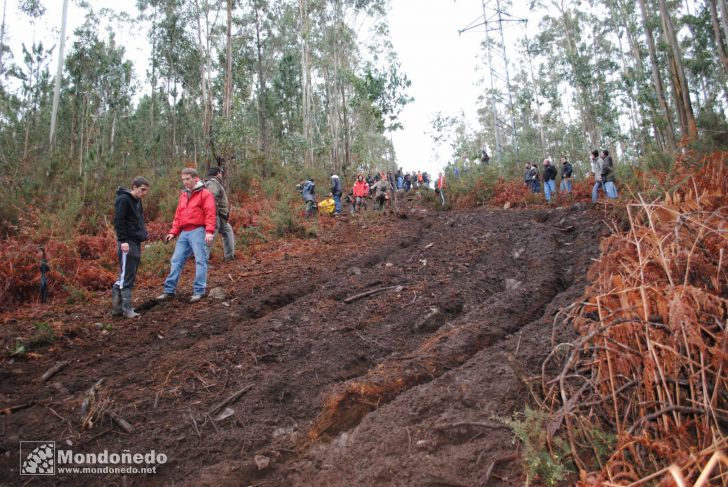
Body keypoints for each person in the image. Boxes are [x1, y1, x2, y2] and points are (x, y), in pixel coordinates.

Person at [157, 168, 216, 304]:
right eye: (183, 179)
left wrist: (209, 232)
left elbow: (210, 213)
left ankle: (199, 291)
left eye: (187, 179)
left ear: (195, 178)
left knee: (200, 260)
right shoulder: (183, 195)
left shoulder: (205, 194)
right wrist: (173, 232)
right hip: (184, 233)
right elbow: (178, 216)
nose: (185, 182)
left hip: (198, 231)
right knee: (176, 260)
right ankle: (169, 291)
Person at [112, 176, 151, 318]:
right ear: (134, 187)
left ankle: (117, 309)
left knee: (129, 274)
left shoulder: (137, 201)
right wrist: (123, 241)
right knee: (126, 276)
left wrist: (143, 234)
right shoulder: (123, 200)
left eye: (146, 190)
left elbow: (138, 220)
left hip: (135, 241)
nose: (144, 193)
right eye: (142, 190)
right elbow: (119, 221)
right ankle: (127, 310)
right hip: (127, 242)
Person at [204, 167, 235, 261]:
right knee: (210, 237)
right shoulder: (212, 183)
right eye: (221, 173)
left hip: (221, 216)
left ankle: (229, 257)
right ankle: (203, 262)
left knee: (227, 231)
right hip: (215, 215)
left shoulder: (214, 182)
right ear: (218, 173)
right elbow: (211, 198)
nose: (222, 175)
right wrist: (212, 215)